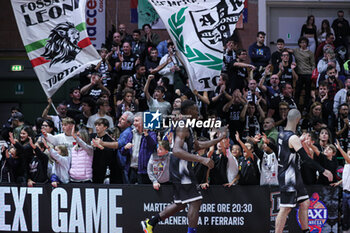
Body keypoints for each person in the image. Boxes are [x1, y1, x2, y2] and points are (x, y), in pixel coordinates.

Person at [141, 100, 227, 233]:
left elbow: (197, 145)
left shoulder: (188, 126)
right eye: (195, 110)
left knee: (180, 203)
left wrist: (219, 139)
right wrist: (202, 159)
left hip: (180, 168)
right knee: (196, 201)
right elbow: (176, 150)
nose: (198, 112)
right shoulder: (182, 126)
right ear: (187, 111)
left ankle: (150, 222)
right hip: (181, 169)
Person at [275, 109, 333, 233]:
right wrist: (324, 170)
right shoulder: (293, 138)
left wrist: (300, 140)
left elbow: (288, 148)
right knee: (285, 208)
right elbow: (306, 159)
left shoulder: (281, 134)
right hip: (288, 176)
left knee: (305, 203)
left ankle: (305, 230)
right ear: (297, 120)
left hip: (292, 175)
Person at [333, 139, 350, 233]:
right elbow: (346, 178)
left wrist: (339, 148)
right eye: (347, 154)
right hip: (345, 193)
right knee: (345, 214)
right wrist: (338, 183)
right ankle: (345, 230)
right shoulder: (346, 166)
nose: (347, 156)